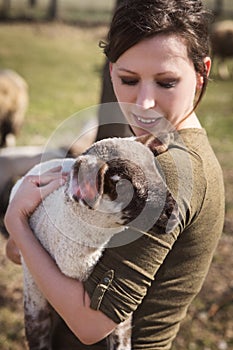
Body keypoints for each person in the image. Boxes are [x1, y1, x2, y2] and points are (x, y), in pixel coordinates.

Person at [5, 0, 225, 349]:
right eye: (129, 79)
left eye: (166, 82)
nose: (144, 103)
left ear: (202, 73)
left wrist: (17, 219)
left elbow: (91, 324)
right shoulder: (144, 152)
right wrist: (31, 236)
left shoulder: (166, 171)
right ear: (111, 72)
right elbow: (22, 255)